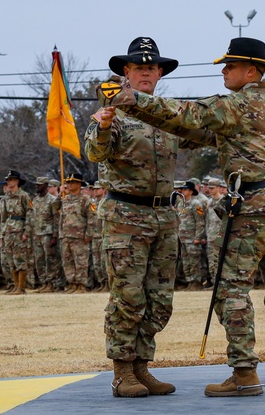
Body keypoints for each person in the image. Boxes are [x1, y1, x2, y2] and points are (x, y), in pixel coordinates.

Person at [100, 36, 265, 397]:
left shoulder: (232, 105)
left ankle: (244, 373)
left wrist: (133, 100)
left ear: (251, 70)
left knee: (232, 288)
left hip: (249, 206)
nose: (223, 72)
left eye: (230, 66)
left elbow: (186, 114)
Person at [86, 36, 197, 398]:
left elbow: (202, 133)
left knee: (160, 299)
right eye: (139, 67)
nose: (146, 72)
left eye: (152, 67)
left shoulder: (168, 112)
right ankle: (122, 372)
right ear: (126, 72)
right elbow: (94, 152)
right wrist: (103, 125)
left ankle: (142, 366)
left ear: (159, 72)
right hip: (125, 216)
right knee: (128, 297)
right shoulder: (112, 110)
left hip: (164, 217)